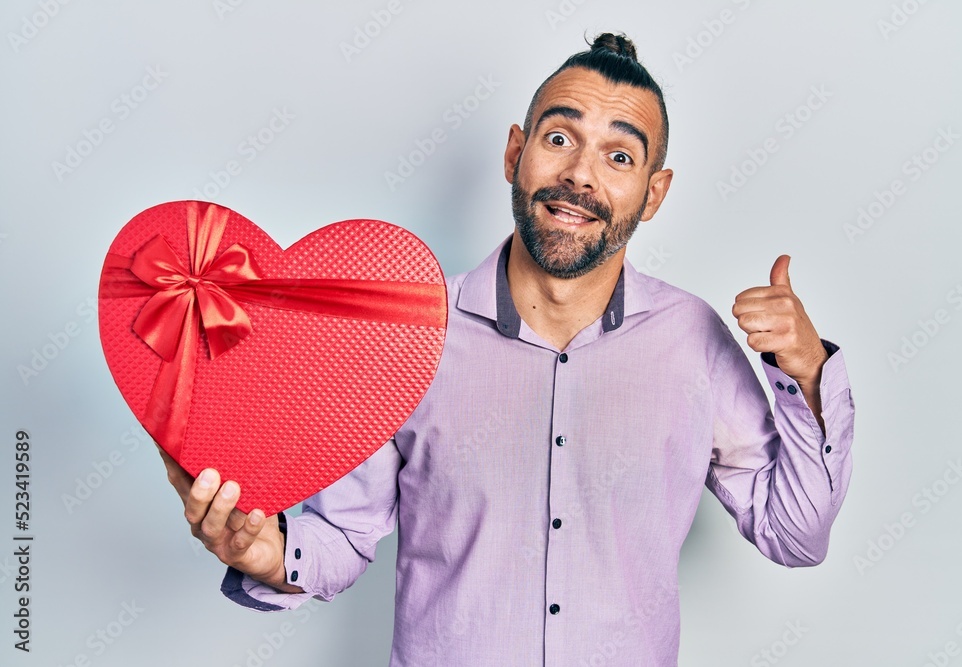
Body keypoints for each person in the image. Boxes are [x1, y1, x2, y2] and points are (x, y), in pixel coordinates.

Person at [162, 32, 854, 666]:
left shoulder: (692, 341)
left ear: (653, 193)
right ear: (514, 152)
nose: (582, 175)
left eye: (619, 155)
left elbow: (794, 534)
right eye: (559, 138)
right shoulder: (414, 337)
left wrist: (807, 373)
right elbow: (342, 537)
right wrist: (265, 552)